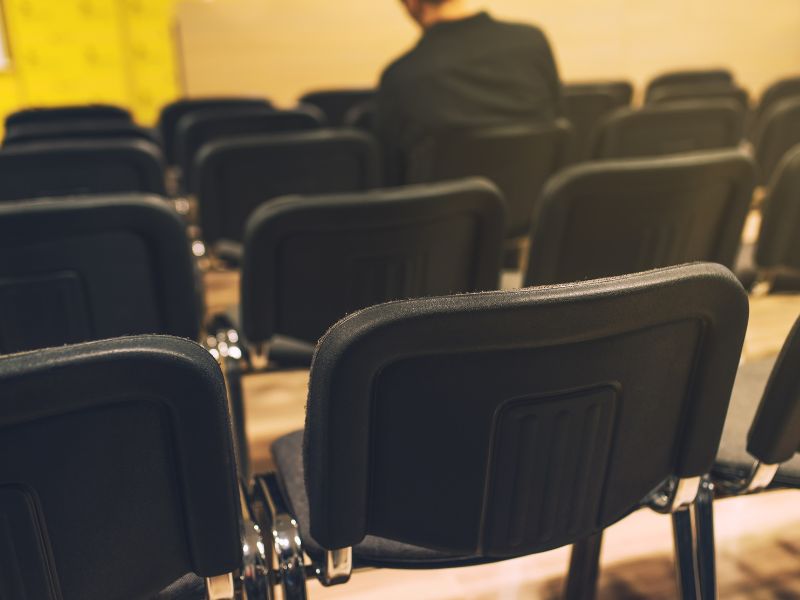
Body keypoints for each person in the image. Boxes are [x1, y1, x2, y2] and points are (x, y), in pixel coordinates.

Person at [377, 0, 563, 183]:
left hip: (442, 212)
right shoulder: (532, 42)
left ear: (411, 3)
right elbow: (558, 121)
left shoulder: (401, 76)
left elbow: (392, 182)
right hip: (537, 210)